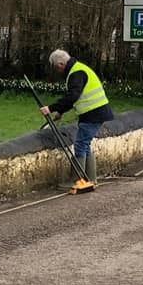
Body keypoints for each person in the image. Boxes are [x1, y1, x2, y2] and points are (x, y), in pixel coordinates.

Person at [40, 49, 114, 185]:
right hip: (96, 113)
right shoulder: (78, 68)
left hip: (92, 114)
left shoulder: (76, 73)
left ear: (61, 64)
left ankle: (78, 180)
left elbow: (73, 96)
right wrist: (61, 111)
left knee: (81, 145)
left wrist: (50, 108)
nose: (57, 71)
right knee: (85, 145)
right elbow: (75, 97)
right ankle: (91, 179)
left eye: (57, 68)